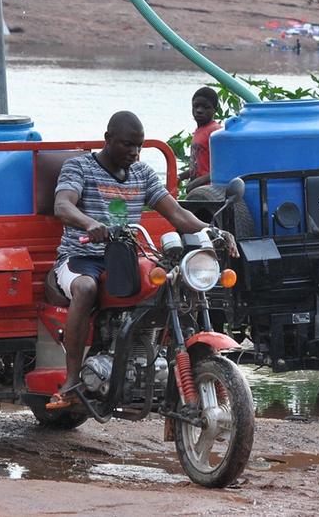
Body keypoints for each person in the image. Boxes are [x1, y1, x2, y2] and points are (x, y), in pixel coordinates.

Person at [47, 110, 235, 410]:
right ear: (108, 139)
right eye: (127, 145)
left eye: (139, 145)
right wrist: (89, 224)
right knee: (85, 289)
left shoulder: (143, 174)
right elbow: (62, 204)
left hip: (125, 257)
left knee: (173, 283)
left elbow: (177, 214)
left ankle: (159, 365)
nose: (134, 152)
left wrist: (213, 230)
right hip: (82, 258)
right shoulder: (79, 167)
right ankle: (71, 380)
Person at [178, 87, 221, 190]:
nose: (199, 110)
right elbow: (198, 167)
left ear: (215, 109)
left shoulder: (216, 132)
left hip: (209, 192)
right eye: (196, 106)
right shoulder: (199, 131)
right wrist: (180, 177)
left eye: (206, 107)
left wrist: (196, 183)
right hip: (197, 191)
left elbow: (223, 169)